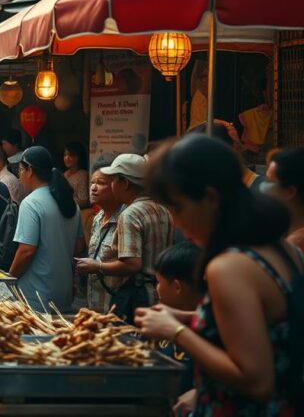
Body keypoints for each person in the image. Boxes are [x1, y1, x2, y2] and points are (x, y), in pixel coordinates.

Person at [136, 135, 301, 416]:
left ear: (211, 198)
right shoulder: (281, 248)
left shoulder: (228, 268)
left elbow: (255, 379)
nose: (175, 221)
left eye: (177, 207)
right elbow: (260, 331)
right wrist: (187, 318)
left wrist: (175, 331)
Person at [98, 153, 175, 319]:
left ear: (124, 183)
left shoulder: (130, 214)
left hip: (138, 297)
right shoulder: (163, 209)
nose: (111, 185)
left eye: (113, 180)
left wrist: (97, 267)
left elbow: (132, 264)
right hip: (160, 293)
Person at [10, 146, 83, 312]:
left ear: (29, 170)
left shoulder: (31, 203)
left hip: (37, 293)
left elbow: (26, 251)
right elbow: (78, 247)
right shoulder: (70, 203)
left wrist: (9, 278)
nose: (19, 176)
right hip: (63, 292)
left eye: (20, 170)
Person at [154, 242, 205, 417]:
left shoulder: (205, 330)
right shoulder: (163, 319)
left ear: (176, 286)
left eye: (158, 282)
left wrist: (198, 394)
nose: (156, 289)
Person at [74, 158, 125, 313]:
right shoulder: (97, 218)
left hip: (116, 305)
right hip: (95, 303)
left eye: (101, 183)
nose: (93, 188)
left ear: (117, 186)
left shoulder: (125, 218)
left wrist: (98, 267)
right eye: (92, 182)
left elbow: (132, 264)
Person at [267, 147, 304, 250]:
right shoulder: (284, 233)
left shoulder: (295, 245)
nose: (264, 189)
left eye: (270, 183)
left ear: (290, 192)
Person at [63, 142, 90, 209]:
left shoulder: (82, 175)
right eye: (65, 155)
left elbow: (84, 201)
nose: (67, 158)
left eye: (71, 155)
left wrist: (66, 205)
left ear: (79, 157)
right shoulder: (64, 174)